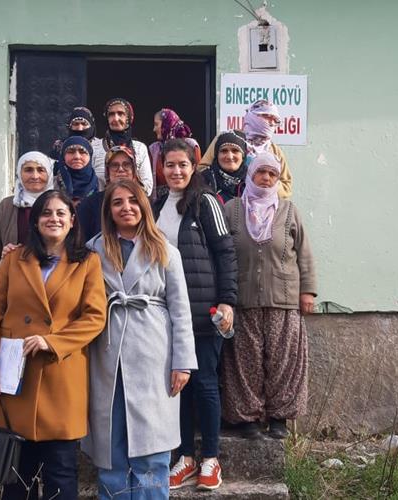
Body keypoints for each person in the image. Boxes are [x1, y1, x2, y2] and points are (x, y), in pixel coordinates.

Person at [0, 190, 107, 500]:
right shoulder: (13, 260)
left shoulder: (87, 262)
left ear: (72, 221)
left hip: (61, 376)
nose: (54, 219)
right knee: (16, 476)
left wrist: (52, 341)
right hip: (14, 379)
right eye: (46, 213)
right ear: (35, 221)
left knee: (61, 474)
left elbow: (95, 317)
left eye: (61, 213)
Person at [84, 179, 197, 499]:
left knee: (152, 451)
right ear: (108, 210)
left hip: (153, 356)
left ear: (144, 206)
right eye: (117, 202)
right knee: (110, 447)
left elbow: (181, 311)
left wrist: (183, 363)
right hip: (106, 357)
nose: (126, 208)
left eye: (132, 201)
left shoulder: (165, 250)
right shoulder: (93, 250)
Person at [152, 139, 237, 491]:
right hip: (166, 313)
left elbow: (226, 252)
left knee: (203, 385)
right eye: (170, 165)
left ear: (193, 167)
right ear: (162, 168)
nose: (176, 171)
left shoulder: (205, 202)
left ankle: (210, 459)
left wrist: (228, 301)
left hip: (203, 312)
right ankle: (185, 457)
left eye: (182, 165)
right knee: (178, 387)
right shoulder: (156, 203)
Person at [220, 153, 317, 440]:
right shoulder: (232, 209)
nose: (266, 178)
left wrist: (307, 292)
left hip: (283, 300)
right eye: (260, 172)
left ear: (278, 179)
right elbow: (222, 252)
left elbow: (305, 253)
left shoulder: (289, 211)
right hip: (242, 299)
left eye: (272, 174)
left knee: (283, 361)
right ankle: (246, 418)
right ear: (249, 175)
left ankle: (278, 418)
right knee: (243, 360)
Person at [0, 150, 53, 291]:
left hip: (52, 289)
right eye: (28, 170)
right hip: (14, 291)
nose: (35, 176)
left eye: (41, 170)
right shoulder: (7, 206)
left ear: (49, 173)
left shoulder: (60, 205)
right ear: (19, 173)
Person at [198, 100, 293, 198]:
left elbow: (286, 187)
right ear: (253, 117)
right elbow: (202, 169)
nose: (271, 123)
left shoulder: (274, 151)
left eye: (274, 120)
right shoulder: (229, 139)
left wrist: (264, 182)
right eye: (267, 118)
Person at [75, 144, 141, 245]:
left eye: (126, 164)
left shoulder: (144, 202)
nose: (121, 169)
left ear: (134, 170)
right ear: (107, 170)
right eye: (115, 165)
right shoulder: (90, 204)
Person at [93, 98, 153, 196]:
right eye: (111, 114)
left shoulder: (140, 148)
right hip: (101, 206)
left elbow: (148, 187)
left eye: (121, 114)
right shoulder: (95, 147)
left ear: (129, 118)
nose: (116, 119)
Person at [149, 108, 201, 200]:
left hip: (188, 200)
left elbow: (198, 174)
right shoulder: (154, 149)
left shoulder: (191, 145)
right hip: (161, 202)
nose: (154, 129)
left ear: (166, 124)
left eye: (156, 124)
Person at [201, 131, 248, 203]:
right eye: (224, 151)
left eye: (235, 151)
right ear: (217, 155)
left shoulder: (251, 181)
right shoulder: (203, 180)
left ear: (243, 156)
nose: (229, 156)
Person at [52, 136, 100, 206]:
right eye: (71, 152)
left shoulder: (100, 184)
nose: (77, 157)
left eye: (82, 152)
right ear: (63, 157)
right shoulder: (52, 184)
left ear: (90, 156)